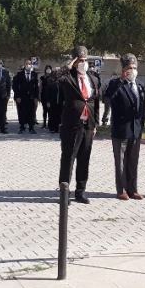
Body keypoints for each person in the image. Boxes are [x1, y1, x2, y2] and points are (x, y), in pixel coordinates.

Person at [52, 46, 100, 204]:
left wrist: (95, 124)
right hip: (72, 124)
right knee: (68, 158)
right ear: (74, 61)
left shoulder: (92, 78)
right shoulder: (68, 77)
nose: (83, 63)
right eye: (80, 60)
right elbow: (52, 79)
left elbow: (95, 102)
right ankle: (64, 192)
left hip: (88, 124)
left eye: (85, 60)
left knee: (84, 159)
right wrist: (68, 66)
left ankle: (80, 191)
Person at [104, 53, 145, 200]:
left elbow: (142, 108)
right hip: (121, 129)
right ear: (123, 70)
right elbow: (107, 97)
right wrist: (121, 80)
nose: (132, 70)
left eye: (134, 67)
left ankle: (133, 189)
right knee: (120, 161)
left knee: (133, 161)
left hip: (136, 129)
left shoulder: (140, 85)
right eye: (129, 68)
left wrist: (141, 126)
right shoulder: (116, 84)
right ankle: (121, 189)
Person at [13, 59, 39, 134]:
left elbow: (36, 87)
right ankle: (22, 127)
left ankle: (31, 127)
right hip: (22, 97)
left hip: (31, 97)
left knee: (31, 112)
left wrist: (36, 97)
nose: (28, 65)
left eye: (29, 64)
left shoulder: (34, 74)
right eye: (27, 64)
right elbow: (15, 86)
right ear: (24, 65)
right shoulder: (19, 74)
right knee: (22, 112)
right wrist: (17, 96)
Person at [46, 67, 63, 133]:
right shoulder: (50, 81)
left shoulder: (61, 81)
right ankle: (52, 128)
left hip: (59, 101)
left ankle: (57, 128)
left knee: (58, 115)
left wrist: (64, 100)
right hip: (52, 101)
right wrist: (47, 101)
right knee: (52, 115)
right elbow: (47, 92)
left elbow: (63, 92)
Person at [40, 65, 53, 129]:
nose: (48, 70)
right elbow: (40, 87)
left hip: (51, 96)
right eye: (47, 68)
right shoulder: (42, 78)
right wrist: (39, 95)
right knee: (45, 110)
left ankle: (50, 123)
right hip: (44, 95)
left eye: (49, 68)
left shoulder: (53, 78)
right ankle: (44, 123)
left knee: (50, 111)